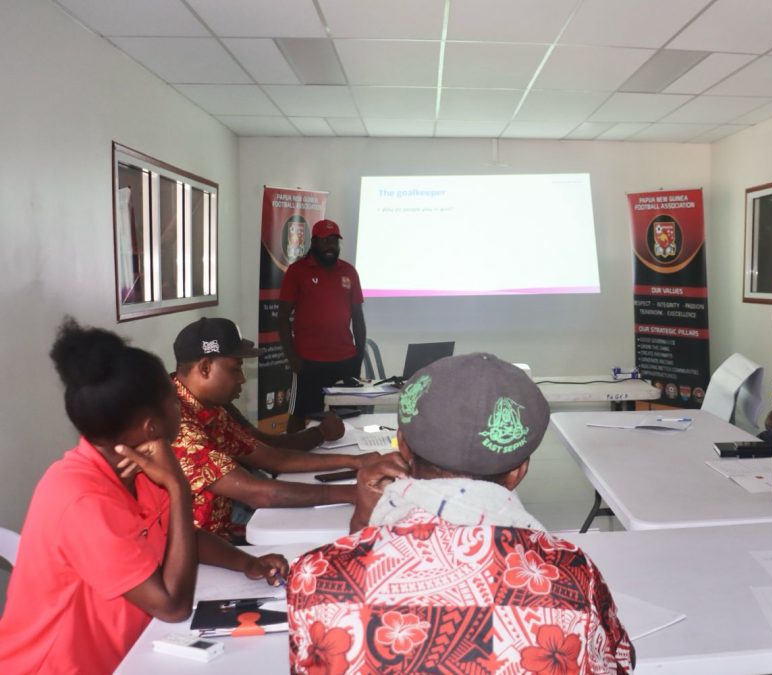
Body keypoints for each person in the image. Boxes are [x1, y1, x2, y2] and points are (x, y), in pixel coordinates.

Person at [287, 353, 635, 673]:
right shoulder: (571, 572)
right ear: (519, 471)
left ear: (402, 446)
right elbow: (619, 662)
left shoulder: (314, 575)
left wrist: (362, 528)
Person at [0, 319, 288, 673]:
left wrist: (247, 563)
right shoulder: (80, 497)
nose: (180, 406)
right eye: (172, 401)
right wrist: (179, 488)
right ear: (152, 426)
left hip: (133, 651)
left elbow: (182, 538)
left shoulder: (138, 465)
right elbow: (171, 606)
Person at [171, 317, 394, 543]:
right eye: (235, 368)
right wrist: (353, 494)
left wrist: (356, 462)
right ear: (205, 367)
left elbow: (273, 458)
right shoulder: (176, 423)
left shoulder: (207, 407)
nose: (242, 379)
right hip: (202, 547)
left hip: (225, 529)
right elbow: (258, 493)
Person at [278, 219, 366, 432]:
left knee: (348, 417)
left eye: (334, 241)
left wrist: (359, 356)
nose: (330, 246)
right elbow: (282, 318)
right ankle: (293, 460)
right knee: (299, 415)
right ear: (314, 242)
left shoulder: (349, 272)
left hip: (345, 360)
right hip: (308, 362)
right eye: (325, 241)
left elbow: (358, 318)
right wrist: (292, 358)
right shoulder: (297, 271)